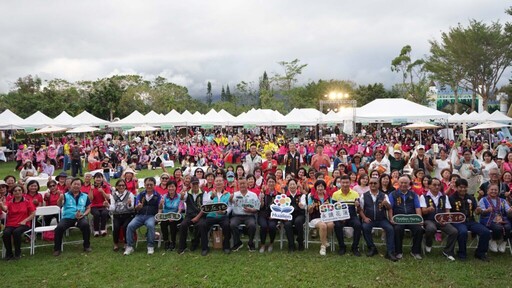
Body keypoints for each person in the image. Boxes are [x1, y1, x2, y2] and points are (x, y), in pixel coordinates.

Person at [450, 178, 491, 261]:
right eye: (461, 187)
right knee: (463, 232)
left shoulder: (471, 198)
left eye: (465, 187)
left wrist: (478, 210)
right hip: (458, 222)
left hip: (471, 221)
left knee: (486, 232)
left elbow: (476, 211)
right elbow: (449, 213)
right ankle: (462, 253)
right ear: (456, 187)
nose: (463, 189)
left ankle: (480, 253)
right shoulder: (451, 198)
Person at [419, 178, 458, 261]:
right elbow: (423, 211)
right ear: (429, 186)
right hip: (429, 219)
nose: (437, 187)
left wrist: (446, 219)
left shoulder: (444, 196)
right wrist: (428, 209)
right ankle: (428, 242)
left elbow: (447, 211)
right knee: (431, 228)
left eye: (438, 185)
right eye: (434, 185)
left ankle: (448, 251)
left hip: (441, 220)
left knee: (454, 231)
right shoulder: (424, 196)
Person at [359, 177, 397, 261]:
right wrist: (364, 218)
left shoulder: (384, 195)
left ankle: (390, 252)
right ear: (369, 184)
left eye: (375, 183)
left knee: (390, 229)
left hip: (381, 219)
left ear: (379, 184)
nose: (373, 185)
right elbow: (360, 209)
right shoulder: (364, 195)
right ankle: (372, 248)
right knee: (365, 227)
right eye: (371, 183)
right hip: (369, 219)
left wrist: (386, 205)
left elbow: (390, 208)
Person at [53, 178, 92, 256]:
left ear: (81, 186)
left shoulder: (85, 196)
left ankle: (86, 246)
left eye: (78, 184)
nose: (76, 186)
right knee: (59, 228)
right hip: (67, 218)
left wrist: (84, 214)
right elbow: (59, 205)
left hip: (80, 217)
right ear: (71, 185)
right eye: (75, 184)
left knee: (86, 226)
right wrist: (60, 199)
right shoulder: (65, 195)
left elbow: (88, 208)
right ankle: (57, 249)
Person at [388, 176, 424, 260]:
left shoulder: (413, 194)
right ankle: (398, 252)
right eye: (401, 183)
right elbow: (390, 208)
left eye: (405, 183)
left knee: (419, 230)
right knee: (397, 229)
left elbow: (417, 207)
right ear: (398, 183)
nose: (403, 184)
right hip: (399, 218)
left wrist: (420, 218)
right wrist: (391, 218)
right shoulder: (393, 194)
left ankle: (415, 251)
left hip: (411, 218)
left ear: (409, 184)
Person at [124, 177, 162, 255]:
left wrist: (158, 216)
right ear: (144, 185)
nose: (149, 186)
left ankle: (150, 246)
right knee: (130, 226)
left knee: (151, 225)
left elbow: (160, 208)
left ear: (154, 185)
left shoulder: (158, 196)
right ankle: (130, 247)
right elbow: (136, 208)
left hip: (151, 216)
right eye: (147, 184)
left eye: (151, 185)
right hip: (140, 216)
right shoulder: (140, 195)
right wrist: (138, 207)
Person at [0, 184, 35, 260]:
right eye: (15, 191)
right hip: (11, 223)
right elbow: (5, 209)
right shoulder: (10, 202)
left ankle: (17, 253)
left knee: (16, 232)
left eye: (19, 190)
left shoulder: (27, 201)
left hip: (24, 223)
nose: (17, 192)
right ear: (12, 193)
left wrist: (25, 220)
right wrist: (1, 204)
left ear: (22, 192)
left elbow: (33, 213)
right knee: (6, 233)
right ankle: (9, 253)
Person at [199, 175, 232, 256]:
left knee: (227, 225)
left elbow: (231, 206)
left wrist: (225, 212)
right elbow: (205, 206)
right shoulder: (209, 193)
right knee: (202, 225)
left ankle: (226, 246)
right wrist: (211, 197)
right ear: (214, 183)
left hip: (223, 216)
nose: (218, 183)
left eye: (220, 181)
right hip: (211, 216)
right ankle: (205, 248)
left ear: (224, 183)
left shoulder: (228, 194)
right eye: (217, 181)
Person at [331, 175, 362, 256]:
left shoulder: (355, 194)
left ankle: (355, 247)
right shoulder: (335, 194)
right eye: (343, 182)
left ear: (350, 183)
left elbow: (358, 208)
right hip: (340, 216)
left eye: (347, 182)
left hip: (352, 216)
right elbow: (333, 209)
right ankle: (342, 247)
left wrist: (358, 205)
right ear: (340, 183)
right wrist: (340, 218)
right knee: (337, 225)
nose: (345, 184)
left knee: (358, 225)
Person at [478, 183, 512, 254]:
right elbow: (481, 212)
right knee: (497, 228)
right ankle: (493, 240)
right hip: (487, 219)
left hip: (501, 219)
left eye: (496, 190)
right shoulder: (483, 200)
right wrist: (486, 210)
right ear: (487, 191)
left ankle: (504, 242)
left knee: (508, 226)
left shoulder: (502, 200)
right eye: (492, 189)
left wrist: (510, 210)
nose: (494, 191)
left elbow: (508, 211)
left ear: (498, 191)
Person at [230, 177, 260, 252]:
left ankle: (250, 243)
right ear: (238, 185)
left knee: (252, 225)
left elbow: (257, 207)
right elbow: (230, 204)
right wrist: (230, 199)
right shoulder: (235, 194)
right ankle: (238, 243)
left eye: (244, 183)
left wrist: (252, 210)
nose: (242, 185)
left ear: (247, 184)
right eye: (241, 184)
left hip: (249, 215)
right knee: (232, 224)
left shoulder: (253, 195)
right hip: (237, 215)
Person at [177, 176, 205, 254]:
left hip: (200, 215)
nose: (195, 185)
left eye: (196, 183)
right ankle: (182, 246)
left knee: (201, 225)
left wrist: (197, 217)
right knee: (183, 225)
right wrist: (182, 194)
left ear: (199, 184)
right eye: (193, 184)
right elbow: (182, 199)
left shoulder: (203, 193)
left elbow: (204, 208)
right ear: (191, 185)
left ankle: (195, 243)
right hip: (189, 215)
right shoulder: (187, 192)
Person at [307, 180, 334, 256]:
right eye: (318, 186)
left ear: (324, 188)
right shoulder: (312, 198)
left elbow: (332, 209)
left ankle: (324, 239)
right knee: (323, 225)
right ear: (316, 188)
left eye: (322, 186)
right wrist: (311, 207)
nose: (320, 188)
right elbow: (309, 211)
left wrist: (328, 206)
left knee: (331, 224)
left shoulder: (328, 198)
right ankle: (323, 246)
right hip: (315, 218)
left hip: (327, 218)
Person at [109, 179, 135, 252]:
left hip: (127, 215)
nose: (121, 187)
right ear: (116, 187)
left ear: (125, 186)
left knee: (125, 226)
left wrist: (129, 204)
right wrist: (108, 206)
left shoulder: (130, 194)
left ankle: (126, 243)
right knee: (116, 227)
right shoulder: (113, 196)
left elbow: (132, 208)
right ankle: (116, 243)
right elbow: (113, 208)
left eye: (123, 185)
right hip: (117, 215)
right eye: (119, 185)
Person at [159, 180, 183, 251]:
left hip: (176, 215)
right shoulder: (164, 196)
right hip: (166, 215)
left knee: (173, 224)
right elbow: (161, 208)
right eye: (169, 187)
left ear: (175, 187)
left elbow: (180, 208)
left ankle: (173, 241)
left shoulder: (179, 196)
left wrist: (175, 216)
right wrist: (161, 203)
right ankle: (166, 241)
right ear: (167, 188)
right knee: (163, 224)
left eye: (172, 186)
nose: (171, 188)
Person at [283, 178, 306, 252]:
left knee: (298, 222)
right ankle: (291, 245)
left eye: (294, 184)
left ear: (297, 186)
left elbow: (304, 205)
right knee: (287, 224)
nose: (292, 186)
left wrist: (301, 205)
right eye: (290, 184)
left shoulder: (302, 195)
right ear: (288, 186)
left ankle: (300, 242)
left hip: (299, 214)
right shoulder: (284, 196)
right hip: (288, 215)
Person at [258, 175, 279, 253]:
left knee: (272, 226)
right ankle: (262, 244)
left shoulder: (278, 195)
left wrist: (274, 215)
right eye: (269, 182)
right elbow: (260, 207)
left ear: (275, 183)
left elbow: (280, 208)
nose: (271, 183)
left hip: (274, 215)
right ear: (267, 183)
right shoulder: (262, 193)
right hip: (263, 214)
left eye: (272, 182)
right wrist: (262, 200)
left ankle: (271, 243)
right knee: (263, 226)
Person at [88, 173, 111, 237]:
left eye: (99, 177)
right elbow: (90, 199)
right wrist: (91, 190)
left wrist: (102, 192)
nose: (98, 179)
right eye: (96, 177)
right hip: (94, 206)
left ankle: (103, 229)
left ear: (102, 178)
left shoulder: (106, 186)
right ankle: (96, 230)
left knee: (104, 213)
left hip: (104, 205)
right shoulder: (92, 187)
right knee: (96, 214)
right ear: (94, 179)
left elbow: (108, 197)